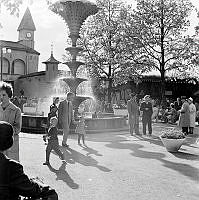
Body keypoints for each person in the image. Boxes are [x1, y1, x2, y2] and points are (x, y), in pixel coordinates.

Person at [0, 121, 58, 200]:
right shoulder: (11, 167)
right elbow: (32, 190)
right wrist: (38, 182)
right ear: (10, 143)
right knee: (51, 195)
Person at [0, 81, 22, 161]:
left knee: (11, 167)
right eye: (0, 95)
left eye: (3, 95)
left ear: (9, 95)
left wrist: (5, 131)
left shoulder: (16, 110)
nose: (1, 97)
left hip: (11, 144)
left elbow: (18, 128)